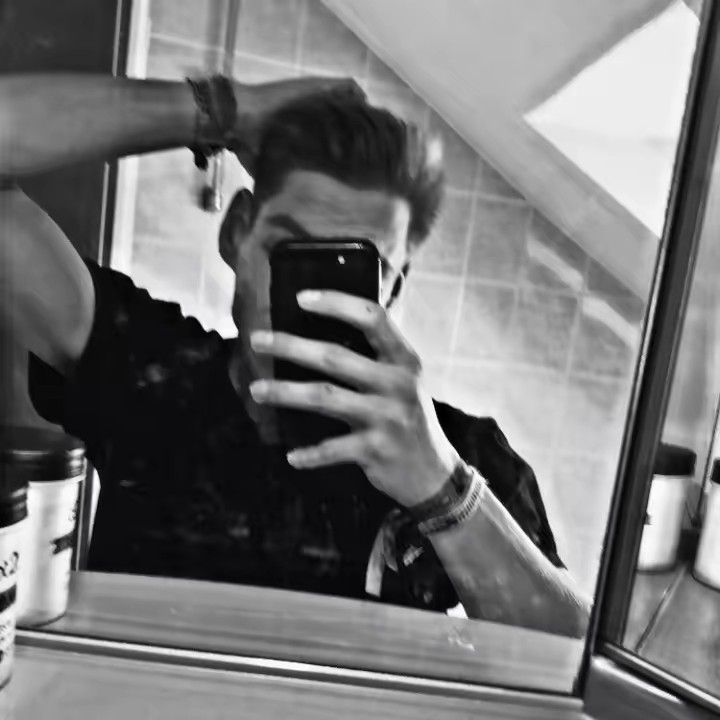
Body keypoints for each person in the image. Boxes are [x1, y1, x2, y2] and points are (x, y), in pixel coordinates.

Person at [0, 72, 589, 636]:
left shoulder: (462, 454)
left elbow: (579, 669)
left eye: (354, 269)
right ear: (237, 233)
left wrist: (444, 491)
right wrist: (226, 111)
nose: (310, 299)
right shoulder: (145, 370)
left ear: (393, 288)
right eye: (290, 254)